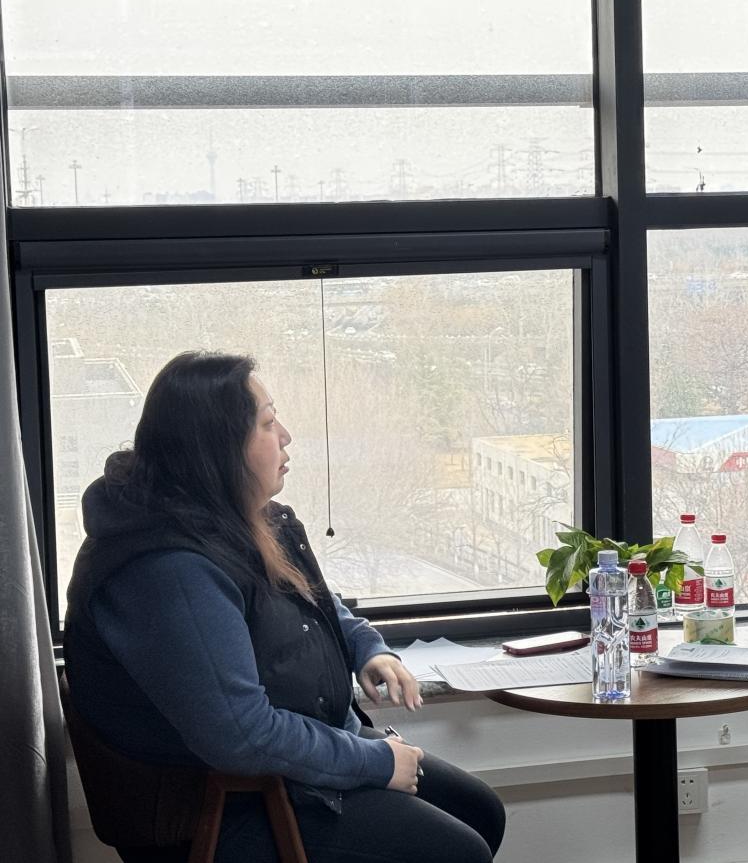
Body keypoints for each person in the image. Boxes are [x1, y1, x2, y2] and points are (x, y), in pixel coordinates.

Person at [63, 351, 505, 863]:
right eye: (268, 423)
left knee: (481, 811)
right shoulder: (169, 569)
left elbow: (310, 599)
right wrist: (375, 762)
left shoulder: (230, 517)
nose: (287, 436)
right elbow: (243, 736)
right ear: (218, 446)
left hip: (284, 766)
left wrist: (367, 647)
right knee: (458, 852)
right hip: (220, 805)